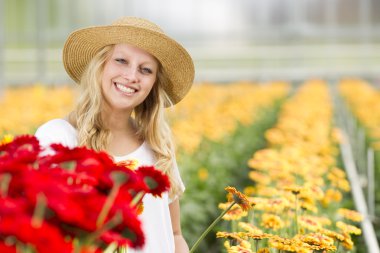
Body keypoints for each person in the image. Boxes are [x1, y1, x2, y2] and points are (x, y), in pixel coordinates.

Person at [35, 16, 194, 253]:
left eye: (145, 69)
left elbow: (174, 234)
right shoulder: (59, 138)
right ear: (100, 65)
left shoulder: (158, 147)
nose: (132, 76)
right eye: (121, 61)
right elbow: (45, 231)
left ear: (153, 84)